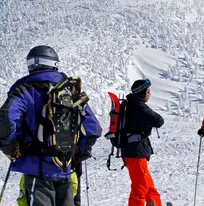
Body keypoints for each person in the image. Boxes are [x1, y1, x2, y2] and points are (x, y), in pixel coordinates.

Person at [0, 45, 102, 206]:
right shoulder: (71, 92)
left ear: (31, 65)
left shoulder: (25, 91)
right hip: (65, 169)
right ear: (54, 63)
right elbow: (93, 129)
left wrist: (10, 148)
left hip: (36, 170)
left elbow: (5, 120)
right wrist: (78, 154)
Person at [121, 79, 165, 206]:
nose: (149, 94)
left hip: (134, 151)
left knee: (148, 186)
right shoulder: (138, 107)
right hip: (135, 153)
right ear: (142, 93)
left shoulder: (131, 104)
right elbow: (158, 121)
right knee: (140, 188)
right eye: (148, 91)